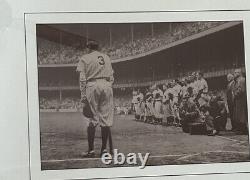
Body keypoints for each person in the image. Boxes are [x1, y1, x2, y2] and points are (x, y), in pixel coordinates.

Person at [76, 40, 114, 157]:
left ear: (88, 48)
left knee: (92, 119)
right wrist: (107, 86)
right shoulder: (106, 57)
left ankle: (91, 150)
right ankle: (104, 150)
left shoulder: (85, 58)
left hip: (92, 85)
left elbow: (82, 78)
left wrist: (83, 95)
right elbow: (112, 76)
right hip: (107, 85)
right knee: (106, 120)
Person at [233, 69, 248, 134]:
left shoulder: (241, 80)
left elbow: (241, 90)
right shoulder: (239, 80)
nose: (234, 73)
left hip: (241, 99)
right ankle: (241, 129)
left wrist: (235, 94)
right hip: (239, 99)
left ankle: (243, 130)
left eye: (235, 72)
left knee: (241, 115)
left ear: (239, 73)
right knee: (240, 115)